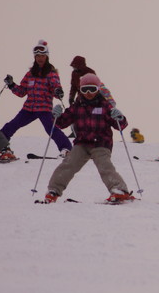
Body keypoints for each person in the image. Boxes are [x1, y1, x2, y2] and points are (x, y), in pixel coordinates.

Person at [38, 73, 134, 204]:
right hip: (82, 143)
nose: (88, 93)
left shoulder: (105, 105)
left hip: (101, 143)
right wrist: (55, 115)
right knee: (68, 164)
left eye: (92, 89)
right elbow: (61, 123)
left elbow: (120, 126)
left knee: (104, 166)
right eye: (85, 89)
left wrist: (120, 118)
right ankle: (53, 191)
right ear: (80, 90)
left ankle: (120, 190)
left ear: (98, 90)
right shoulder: (77, 106)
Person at [0, 40, 72, 157]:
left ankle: (67, 149)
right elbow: (22, 91)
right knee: (12, 125)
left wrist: (58, 91)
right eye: (37, 56)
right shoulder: (30, 74)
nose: (40, 58)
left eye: (42, 55)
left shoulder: (51, 73)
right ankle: (0, 147)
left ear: (47, 56)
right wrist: (12, 84)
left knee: (51, 129)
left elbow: (55, 86)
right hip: (28, 109)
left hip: (44, 108)